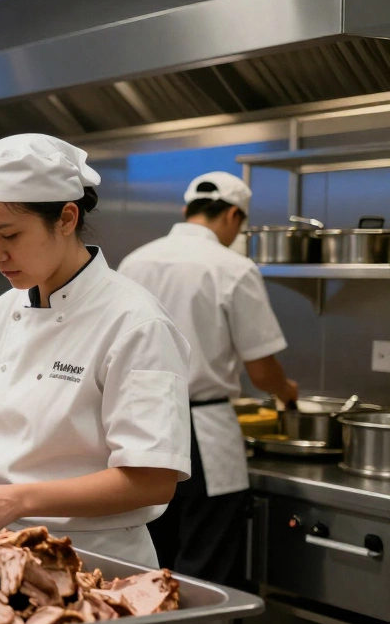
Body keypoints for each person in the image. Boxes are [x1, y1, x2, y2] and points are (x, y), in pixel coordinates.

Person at [0, 134, 192, 568]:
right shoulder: (4, 310)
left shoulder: (135, 321)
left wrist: (17, 499)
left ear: (65, 217)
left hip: (93, 561)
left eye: (9, 235)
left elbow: (152, 480)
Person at [117, 171, 298, 584]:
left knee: (145, 558)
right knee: (207, 564)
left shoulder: (134, 260)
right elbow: (262, 369)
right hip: (206, 431)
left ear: (187, 210)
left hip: (140, 423)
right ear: (234, 215)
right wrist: (286, 392)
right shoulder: (233, 267)